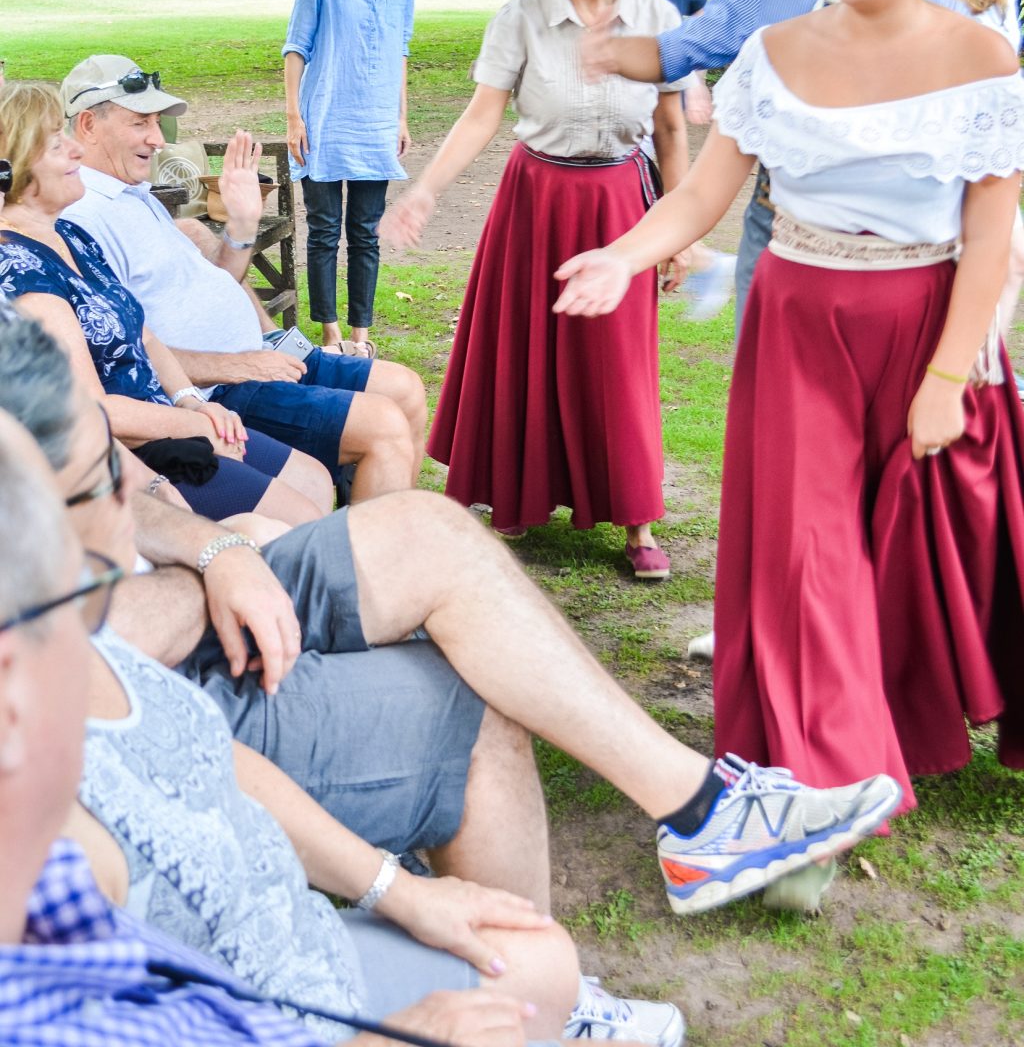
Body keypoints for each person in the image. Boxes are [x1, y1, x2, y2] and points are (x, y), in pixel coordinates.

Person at [0, 310, 901, 927]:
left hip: (187, 580)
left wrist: (212, 546)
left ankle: (700, 810)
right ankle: (522, 980)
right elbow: (73, 659)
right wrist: (202, 576)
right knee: (468, 697)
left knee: (429, 531)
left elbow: (122, 480)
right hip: (126, 698)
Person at [554, 0, 1024, 838]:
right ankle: (826, 779)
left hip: (920, 317)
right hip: (796, 321)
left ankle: (902, 717)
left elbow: (991, 234)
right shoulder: (770, 54)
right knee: (805, 546)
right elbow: (703, 197)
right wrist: (623, 256)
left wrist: (948, 376)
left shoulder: (980, 56)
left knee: (906, 544)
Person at [0, 406, 550, 1047]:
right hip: (300, 999)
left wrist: (395, 891)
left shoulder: (79, 645)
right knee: (534, 975)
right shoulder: (60, 871)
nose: (136, 490)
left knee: (538, 963)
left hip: (296, 946)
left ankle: (683, 799)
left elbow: (212, 756)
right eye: (104, 479)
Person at [383, 0, 694, 577]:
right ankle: (515, 496)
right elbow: (483, 114)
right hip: (535, 196)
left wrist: (678, 231)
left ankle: (638, 522)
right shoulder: (520, 15)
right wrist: (427, 189)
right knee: (524, 347)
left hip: (620, 203)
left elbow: (671, 128)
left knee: (617, 359)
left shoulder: (657, 17)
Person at [579, 0, 977, 332]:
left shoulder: (959, 20)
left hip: (915, 264)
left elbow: (983, 194)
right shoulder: (779, 1)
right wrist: (614, 51)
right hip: (782, 230)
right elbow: (680, 50)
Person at [61, 54, 426, 500]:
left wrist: (243, 224)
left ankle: (371, 511)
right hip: (222, 388)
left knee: (405, 390)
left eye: (157, 122)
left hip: (260, 357)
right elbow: (127, 351)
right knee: (382, 427)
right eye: (140, 123)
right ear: (88, 125)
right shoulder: (82, 219)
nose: (158, 140)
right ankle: (365, 556)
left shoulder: (133, 193)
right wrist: (240, 367)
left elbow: (221, 282)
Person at [0, 81, 328, 525]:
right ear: (14, 168)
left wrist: (191, 401)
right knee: (300, 520)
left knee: (314, 480)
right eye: (57, 145)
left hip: (170, 414)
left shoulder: (69, 236)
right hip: (133, 452)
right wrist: (194, 425)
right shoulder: (23, 276)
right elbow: (92, 412)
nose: (75, 151)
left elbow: (144, 334)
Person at [583, 0, 735, 321]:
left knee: (638, 186)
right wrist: (692, 77)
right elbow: (697, 5)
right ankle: (694, 257)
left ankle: (697, 259)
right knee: (657, 182)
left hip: (639, 86)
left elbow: (623, 20)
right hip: (665, 77)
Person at [284, 0, 415, 358]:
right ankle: (330, 335)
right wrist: (295, 118)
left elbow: (400, 48)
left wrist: (400, 117)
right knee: (323, 232)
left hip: (375, 121)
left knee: (365, 233)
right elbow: (296, 47)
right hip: (323, 120)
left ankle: (361, 336)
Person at [955, 0, 1024, 347]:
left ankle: (986, 369)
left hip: (995, 147)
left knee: (1015, 259)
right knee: (967, 262)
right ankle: (961, 370)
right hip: (954, 148)